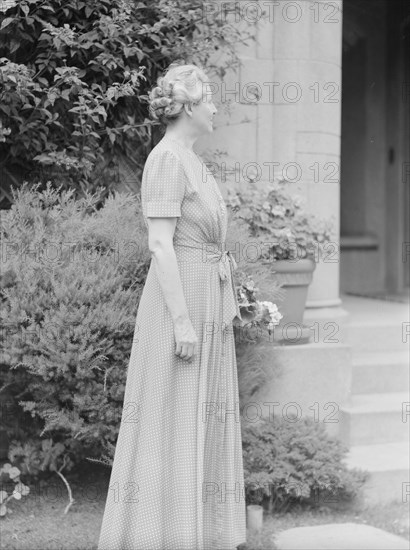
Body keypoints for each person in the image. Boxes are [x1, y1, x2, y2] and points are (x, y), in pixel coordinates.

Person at [97, 61, 247, 550]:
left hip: (207, 302)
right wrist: (182, 323)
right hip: (178, 311)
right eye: (210, 100)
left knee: (200, 419)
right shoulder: (165, 159)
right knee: (175, 418)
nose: (217, 107)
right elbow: (161, 245)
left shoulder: (192, 159)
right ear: (187, 106)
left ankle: (193, 536)